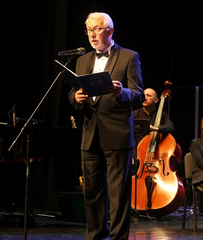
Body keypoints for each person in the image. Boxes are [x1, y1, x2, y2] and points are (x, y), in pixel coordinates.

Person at [68, 12, 144, 240]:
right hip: (90, 136)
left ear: (110, 31)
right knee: (91, 194)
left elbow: (139, 95)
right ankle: (95, 236)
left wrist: (122, 92)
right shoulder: (82, 60)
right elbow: (72, 95)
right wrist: (76, 99)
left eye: (97, 29)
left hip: (117, 136)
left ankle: (118, 238)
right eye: (89, 30)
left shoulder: (129, 57)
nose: (92, 34)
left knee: (118, 196)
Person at [132, 88, 174, 159]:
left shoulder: (162, 115)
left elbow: (170, 127)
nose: (145, 98)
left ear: (156, 100)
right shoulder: (134, 114)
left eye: (149, 96)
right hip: (137, 153)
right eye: (143, 95)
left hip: (156, 152)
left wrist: (156, 128)